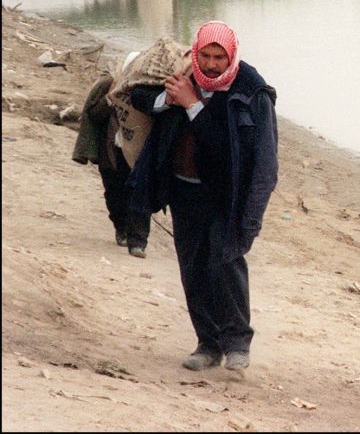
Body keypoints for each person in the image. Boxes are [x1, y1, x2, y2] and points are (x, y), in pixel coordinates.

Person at [127, 21, 278, 373]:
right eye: (205, 56)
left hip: (226, 196)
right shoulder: (184, 76)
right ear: (196, 53)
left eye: (218, 58)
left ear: (232, 57)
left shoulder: (251, 92)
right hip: (183, 192)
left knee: (225, 266)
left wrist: (193, 105)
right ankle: (208, 344)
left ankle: (238, 342)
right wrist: (169, 98)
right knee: (193, 268)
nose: (210, 65)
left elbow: (233, 152)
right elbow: (140, 96)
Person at [72, 61, 151, 258]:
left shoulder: (148, 90)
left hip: (137, 154)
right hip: (111, 152)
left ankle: (138, 242)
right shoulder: (109, 85)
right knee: (114, 194)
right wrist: (110, 99)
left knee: (139, 196)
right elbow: (94, 115)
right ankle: (121, 228)